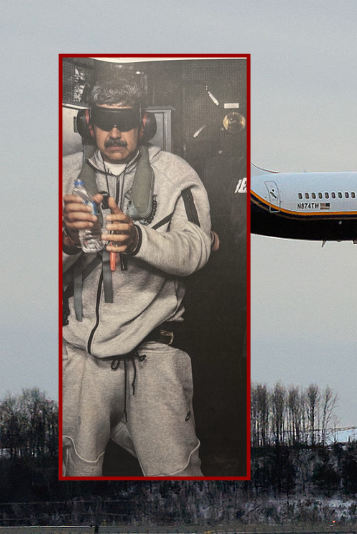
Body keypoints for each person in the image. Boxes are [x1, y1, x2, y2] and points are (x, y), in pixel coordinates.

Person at [61, 72, 212, 477]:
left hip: (155, 354)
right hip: (81, 360)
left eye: (125, 121)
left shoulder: (177, 174)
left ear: (143, 124)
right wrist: (68, 242)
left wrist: (137, 239)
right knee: (77, 474)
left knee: (177, 477)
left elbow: (197, 249)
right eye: (104, 120)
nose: (114, 132)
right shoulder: (60, 176)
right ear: (87, 123)